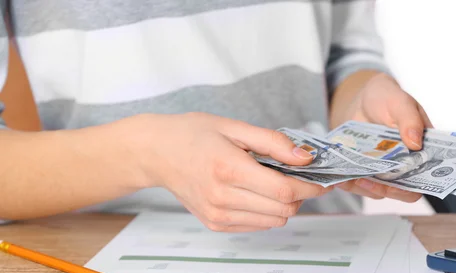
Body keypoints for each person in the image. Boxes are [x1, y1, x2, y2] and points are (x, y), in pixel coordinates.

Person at [0, 1, 432, 232]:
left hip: (328, 240)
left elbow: (342, 54)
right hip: (117, 251)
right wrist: (147, 155)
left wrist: (361, 99)